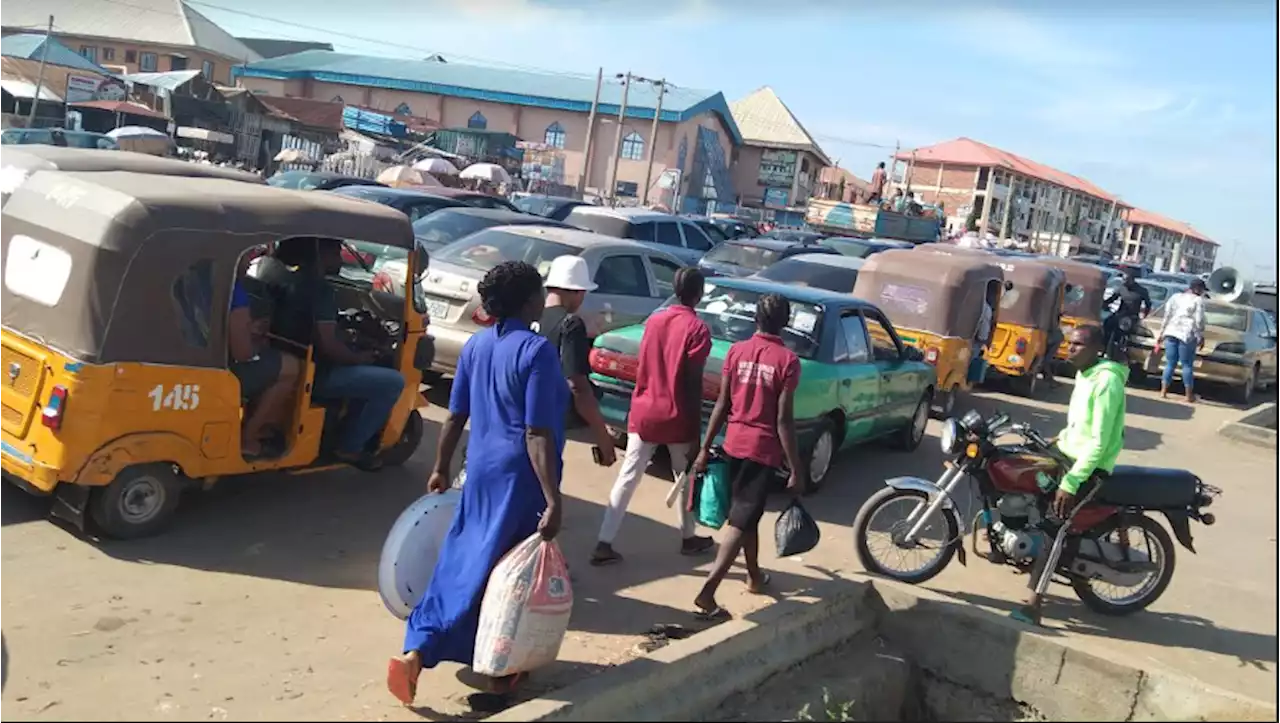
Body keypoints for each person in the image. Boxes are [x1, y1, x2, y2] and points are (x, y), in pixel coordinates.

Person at [388, 260, 567, 706]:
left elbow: (455, 415)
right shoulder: (537, 351)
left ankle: (418, 649)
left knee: (462, 560)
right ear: (528, 301)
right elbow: (536, 432)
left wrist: (440, 465)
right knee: (507, 577)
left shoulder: (476, 346)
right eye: (539, 294)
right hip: (520, 477)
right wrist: (552, 497)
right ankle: (499, 671)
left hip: (480, 471)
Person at [592, 267, 716, 566]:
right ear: (699, 295)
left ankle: (604, 541)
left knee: (629, 475)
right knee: (682, 476)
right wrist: (696, 432)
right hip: (676, 414)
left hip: (645, 409)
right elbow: (692, 382)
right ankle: (688, 537)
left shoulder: (655, 320)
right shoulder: (697, 330)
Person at [691, 293, 802, 619]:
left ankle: (754, 575)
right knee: (741, 519)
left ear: (756, 318)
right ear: (785, 322)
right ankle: (708, 592)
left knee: (746, 514)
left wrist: (704, 446)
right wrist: (796, 467)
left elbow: (722, 404)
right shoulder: (787, 362)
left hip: (734, 444)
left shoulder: (737, 352)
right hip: (762, 449)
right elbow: (783, 420)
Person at [1011, 325, 1127, 626]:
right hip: (1067, 452)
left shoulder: (1107, 382)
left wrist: (1073, 481)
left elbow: (1099, 441)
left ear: (1095, 349)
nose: (1070, 349)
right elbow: (1080, 424)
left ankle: (1034, 606)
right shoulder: (1083, 374)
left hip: (1090, 465)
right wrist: (1056, 440)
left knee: (1054, 527)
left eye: (1078, 345)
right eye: (1070, 343)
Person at [275, 238, 405, 469]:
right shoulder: (318, 289)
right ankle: (350, 447)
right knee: (393, 382)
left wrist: (351, 340)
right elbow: (330, 347)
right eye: (335, 252)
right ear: (320, 255)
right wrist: (359, 357)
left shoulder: (284, 278)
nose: (339, 258)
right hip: (316, 373)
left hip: (288, 355)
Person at [534, 256, 617, 466]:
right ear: (577, 291)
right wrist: (602, 436)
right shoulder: (570, 324)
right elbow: (577, 385)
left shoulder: (530, 317)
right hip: (549, 423)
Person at [228, 260, 300, 458]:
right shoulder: (234, 290)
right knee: (291, 367)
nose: (250, 259)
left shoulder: (199, 276)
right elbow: (242, 354)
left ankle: (255, 424)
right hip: (221, 371)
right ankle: (247, 439)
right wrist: (255, 340)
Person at [1155, 278, 1207, 402]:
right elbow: (1199, 320)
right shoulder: (1198, 300)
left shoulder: (1175, 297)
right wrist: (1200, 336)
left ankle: (1163, 392)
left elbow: (1167, 315)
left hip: (1171, 331)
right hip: (1187, 334)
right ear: (1198, 289)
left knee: (1170, 363)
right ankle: (1188, 395)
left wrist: (1161, 333)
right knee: (1187, 365)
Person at [1102, 267, 1151, 350]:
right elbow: (1113, 298)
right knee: (1107, 323)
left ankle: (1123, 346)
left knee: (1124, 328)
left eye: (1126, 279)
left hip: (1132, 316)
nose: (1124, 281)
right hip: (1120, 314)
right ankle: (1105, 344)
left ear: (1132, 280)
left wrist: (1145, 315)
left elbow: (1148, 304)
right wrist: (1104, 304)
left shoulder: (1141, 291)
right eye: (1123, 279)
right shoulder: (1122, 288)